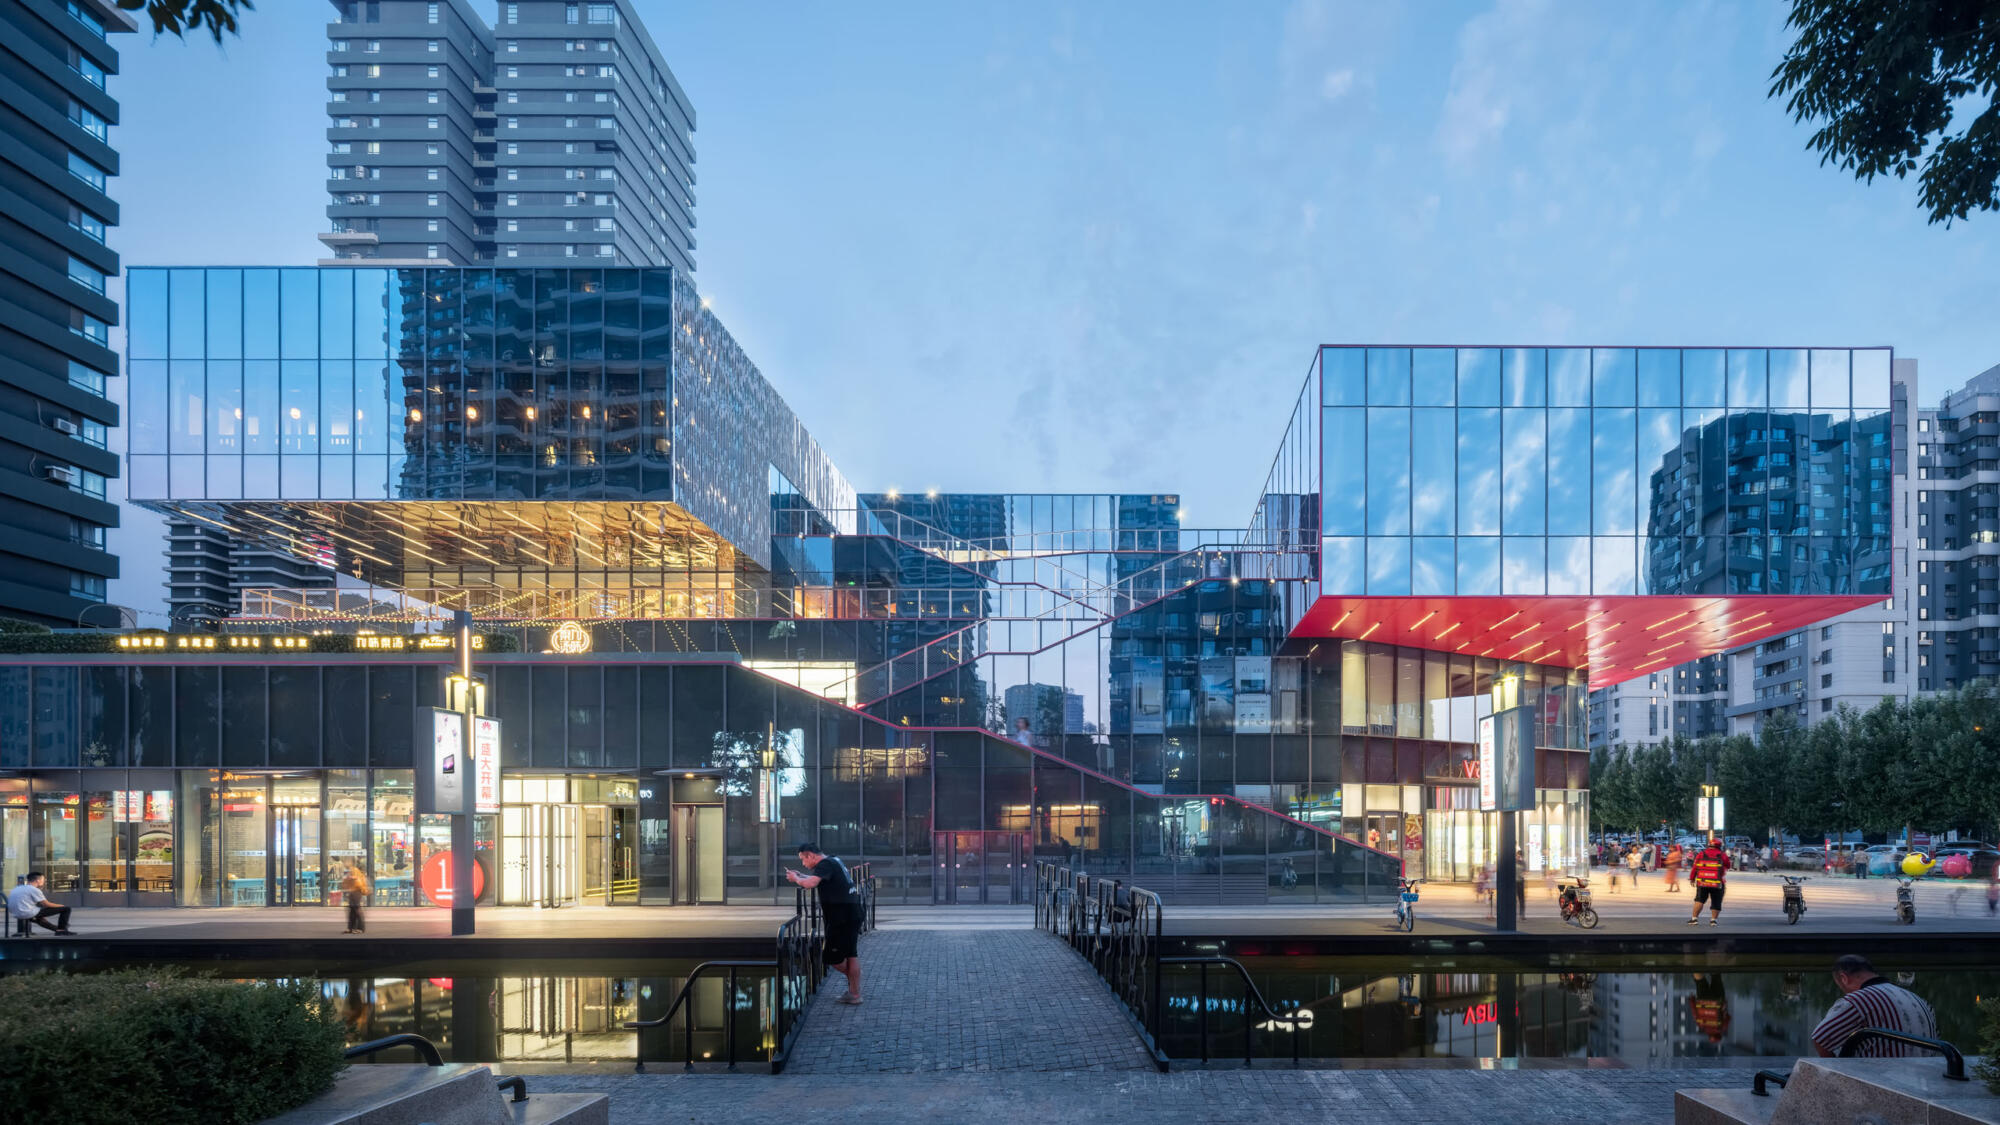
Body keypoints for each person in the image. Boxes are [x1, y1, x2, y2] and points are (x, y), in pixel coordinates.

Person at [1810, 954, 1938, 1057]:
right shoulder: (1918, 999)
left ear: (1844, 978)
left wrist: (1837, 1073)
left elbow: (1820, 1039)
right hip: (1923, 1083)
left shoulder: (1857, 1000)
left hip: (1882, 1083)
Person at [786, 842, 864, 1005]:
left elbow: (811, 884)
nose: (803, 863)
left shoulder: (824, 864)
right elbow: (818, 879)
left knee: (831, 957)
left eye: (803, 860)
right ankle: (854, 994)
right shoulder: (833, 860)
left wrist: (795, 879)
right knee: (851, 953)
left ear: (811, 855)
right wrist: (800, 875)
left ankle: (854, 985)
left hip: (840, 917)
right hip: (852, 912)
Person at [6, 871, 74, 935]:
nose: (44, 882)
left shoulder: (17, 888)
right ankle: (61, 930)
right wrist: (62, 906)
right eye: (43, 880)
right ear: (38, 880)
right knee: (66, 909)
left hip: (16, 914)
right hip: (27, 913)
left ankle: (58, 930)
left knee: (38, 917)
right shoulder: (34, 889)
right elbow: (46, 904)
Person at [1688, 838, 1729, 926]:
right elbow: (1728, 865)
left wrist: (1692, 878)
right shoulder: (1722, 855)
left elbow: (1695, 867)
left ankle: (1694, 919)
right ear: (1720, 846)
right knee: (1716, 901)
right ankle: (1713, 920)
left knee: (1699, 900)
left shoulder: (1701, 854)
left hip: (1703, 882)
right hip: (1718, 882)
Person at [339, 863, 371, 934]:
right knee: (352, 910)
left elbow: (358, 884)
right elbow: (346, 883)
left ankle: (360, 928)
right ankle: (351, 928)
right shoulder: (352, 870)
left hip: (356, 892)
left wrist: (352, 879)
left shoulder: (356, 871)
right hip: (352, 892)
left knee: (356, 908)